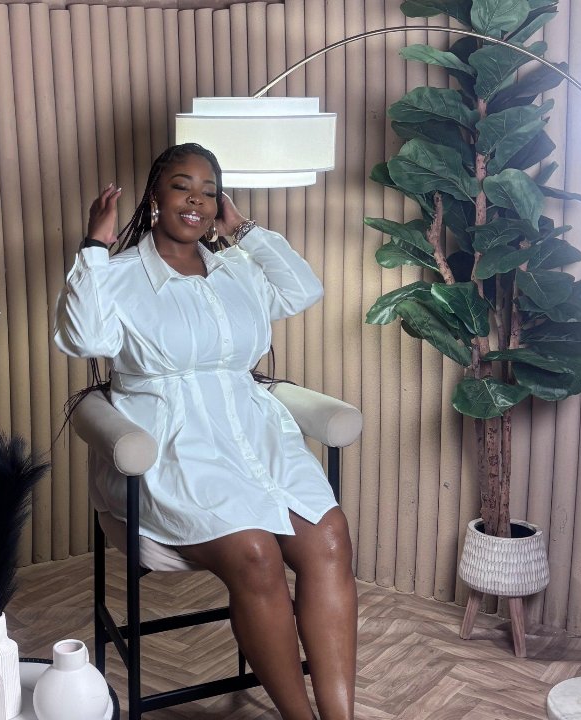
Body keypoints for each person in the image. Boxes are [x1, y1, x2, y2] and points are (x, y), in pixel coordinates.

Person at [54, 143, 357, 720]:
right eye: (181, 186)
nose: (196, 199)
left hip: (255, 438)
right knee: (255, 552)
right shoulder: (119, 275)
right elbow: (83, 338)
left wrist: (243, 232)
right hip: (175, 452)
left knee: (330, 537)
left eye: (209, 191)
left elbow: (303, 289)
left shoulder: (236, 269)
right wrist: (94, 246)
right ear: (154, 196)